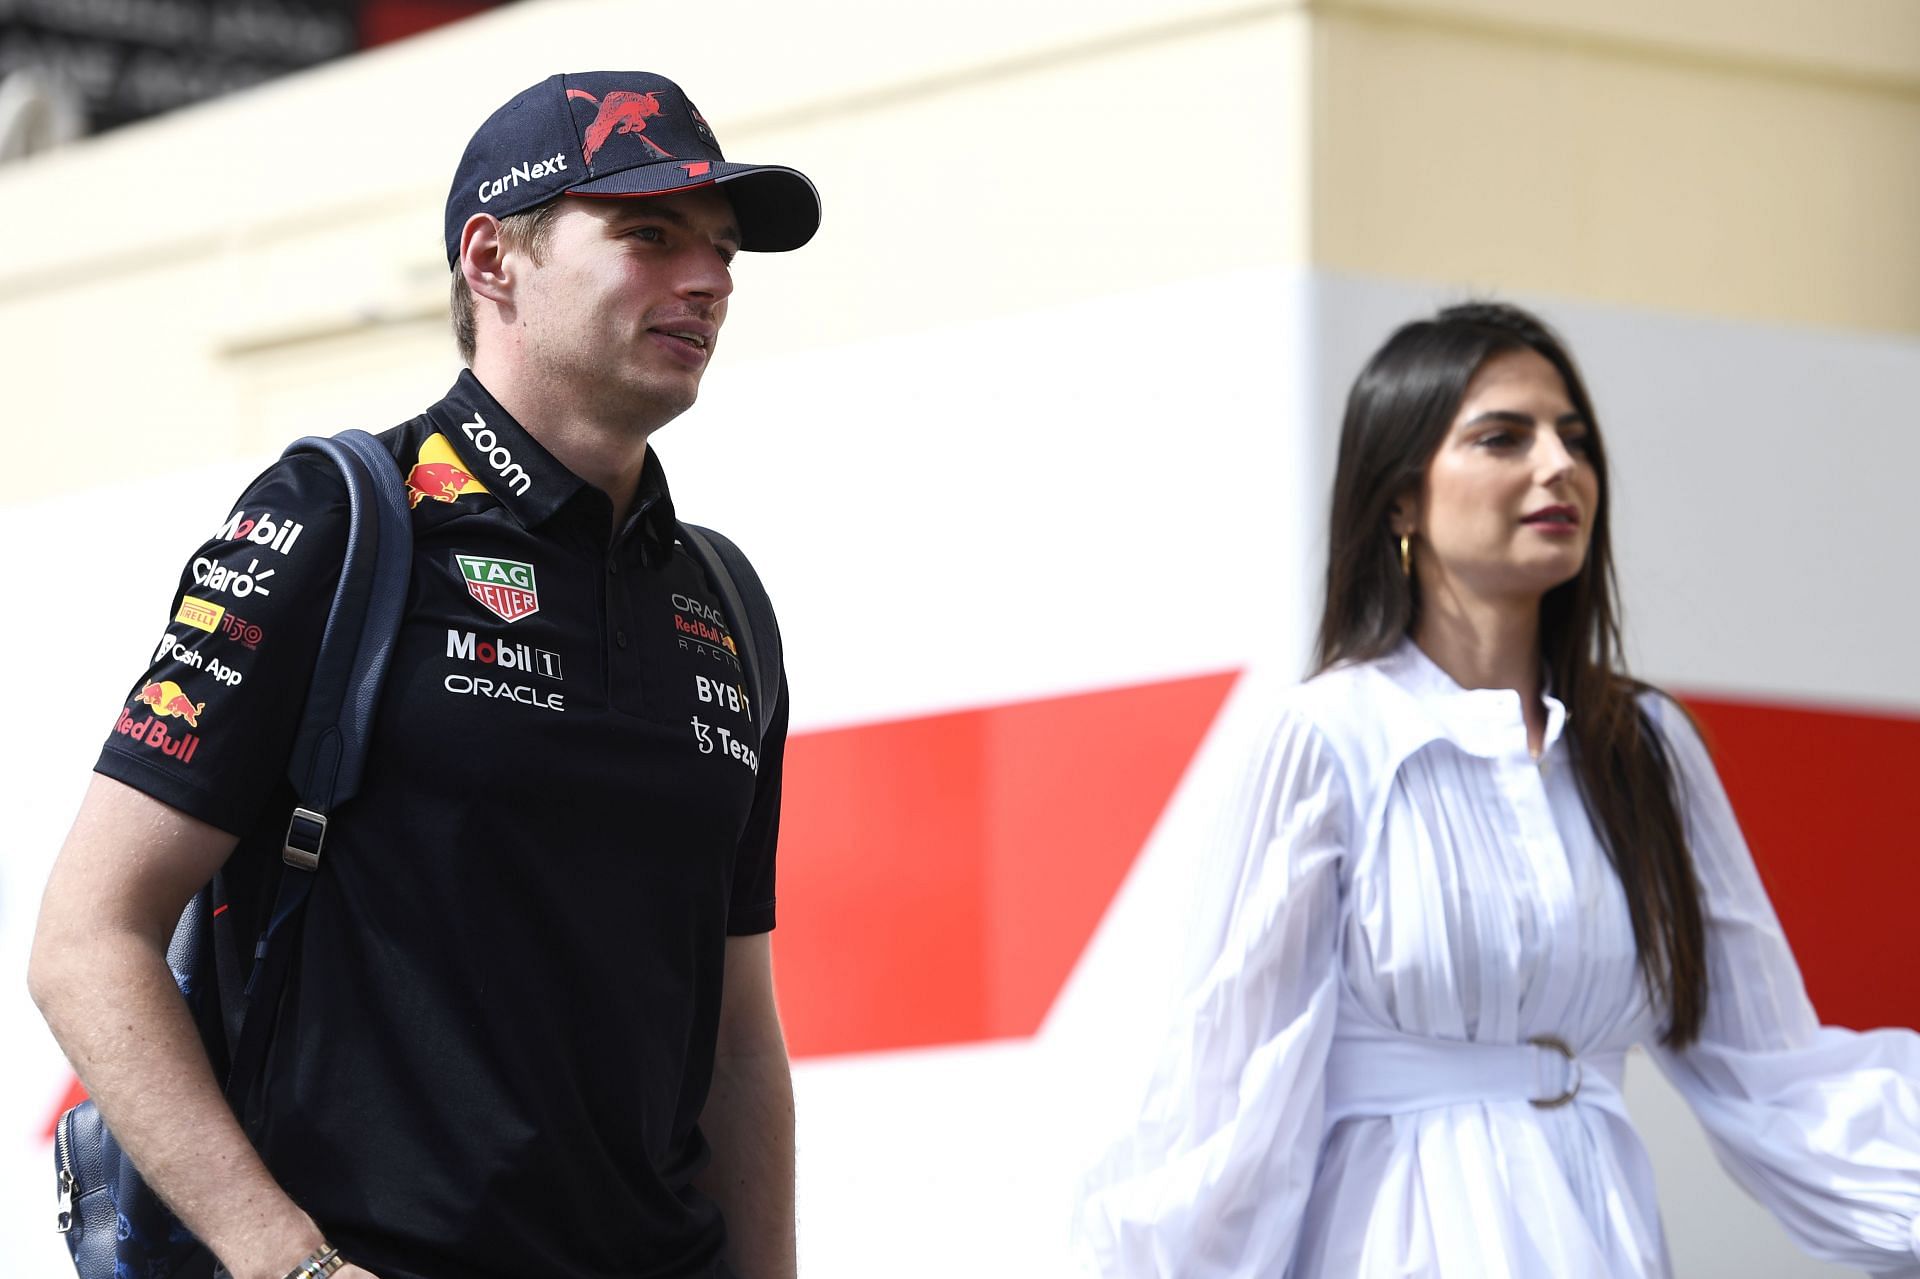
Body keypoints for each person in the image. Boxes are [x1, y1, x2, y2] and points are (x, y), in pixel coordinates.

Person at [29, 71, 818, 1279]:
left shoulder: (720, 600)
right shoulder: (337, 519)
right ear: (493, 260)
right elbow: (87, 939)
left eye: (719, 249)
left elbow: (736, 1043)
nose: (706, 279)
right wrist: (286, 1262)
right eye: (649, 235)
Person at [1076, 301, 1920, 1276]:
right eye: (1502, 437)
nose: (1559, 466)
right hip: (1390, 1239)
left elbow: (1774, 1068)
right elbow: (1226, 1106)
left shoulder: (1645, 746)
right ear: (1400, 499)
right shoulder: (1326, 739)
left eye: (1575, 439)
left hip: (1598, 1232)